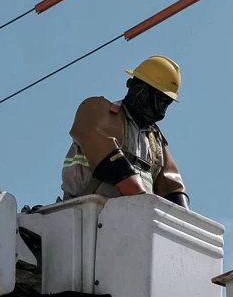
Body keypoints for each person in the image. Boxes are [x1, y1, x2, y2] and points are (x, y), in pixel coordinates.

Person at [61, 56, 190, 207]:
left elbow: (173, 189)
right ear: (132, 85)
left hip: (133, 220)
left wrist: (184, 223)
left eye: (165, 101)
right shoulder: (98, 111)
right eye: (155, 96)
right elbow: (114, 167)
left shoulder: (155, 142)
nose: (159, 107)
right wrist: (144, 205)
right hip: (87, 214)